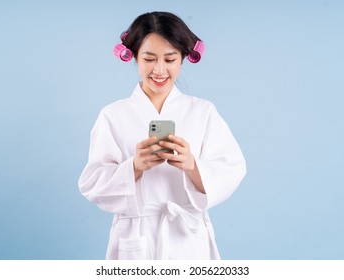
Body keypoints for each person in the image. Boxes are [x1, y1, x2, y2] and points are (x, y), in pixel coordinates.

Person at [78, 11, 246, 260]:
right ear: (134, 56)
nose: (159, 70)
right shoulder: (113, 115)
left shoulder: (203, 111)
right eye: (149, 58)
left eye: (170, 59)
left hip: (188, 237)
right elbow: (92, 183)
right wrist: (134, 167)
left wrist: (192, 166)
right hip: (136, 236)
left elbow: (231, 169)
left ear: (183, 59)